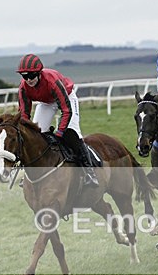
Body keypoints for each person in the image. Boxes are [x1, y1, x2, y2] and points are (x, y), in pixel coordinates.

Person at [16, 53, 98, 187]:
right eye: (25, 76)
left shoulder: (52, 81)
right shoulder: (23, 88)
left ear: (38, 73)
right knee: (35, 135)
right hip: (46, 102)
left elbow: (66, 110)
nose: (28, 80)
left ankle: (89, 172)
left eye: (31, 76)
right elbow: (24, 115)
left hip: (67, 97)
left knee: (71, 132)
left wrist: (59, 132)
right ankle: (29, 174)